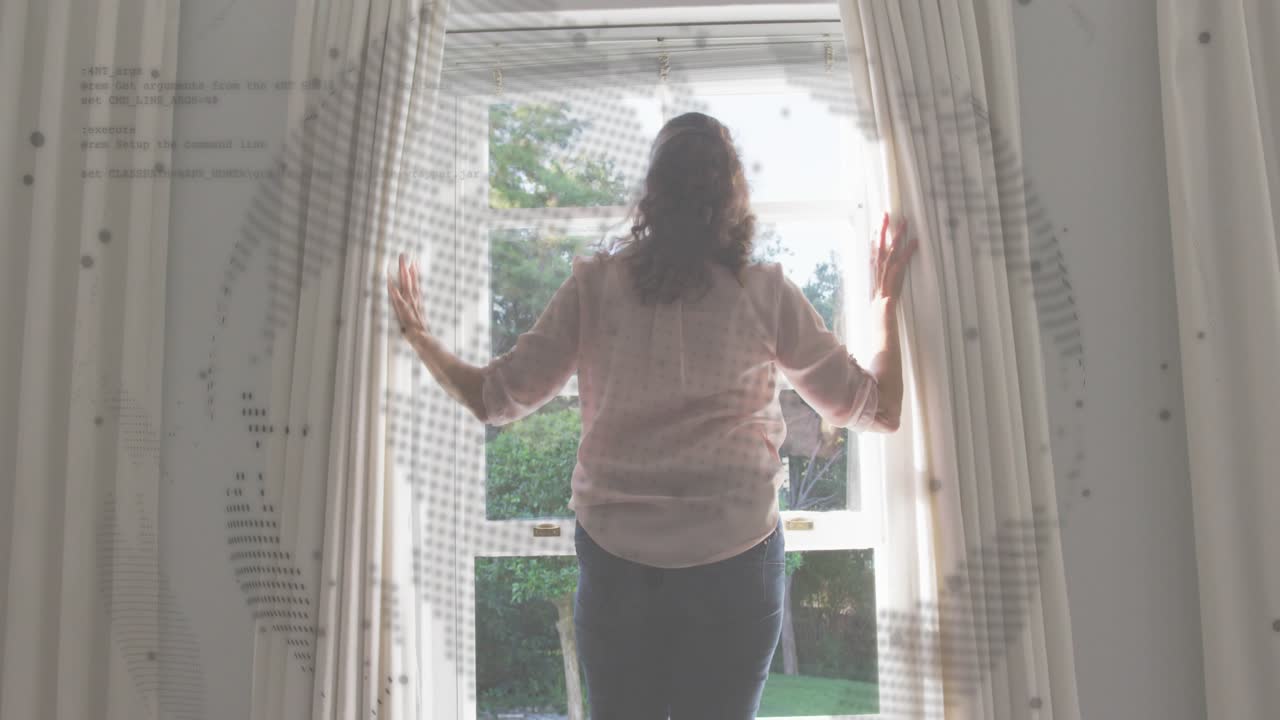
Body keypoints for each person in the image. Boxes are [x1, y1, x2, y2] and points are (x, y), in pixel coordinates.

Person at [388, 111, 917, 720]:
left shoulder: (595, 288)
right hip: (735, 564)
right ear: (733, 197)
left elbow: (494, 397)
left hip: (620, 567)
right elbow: (879, 410)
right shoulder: (764, 293)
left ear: (652, 195)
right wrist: (884, 306)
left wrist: (420, 338)